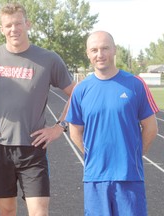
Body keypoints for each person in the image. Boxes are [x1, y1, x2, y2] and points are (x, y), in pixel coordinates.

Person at [0, 2, 75, 216]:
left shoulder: (49, 59)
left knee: (39, 212)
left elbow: (76, 94)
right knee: (6, 211)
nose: (13, 29)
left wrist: (59, 126)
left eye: (18, 23)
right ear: (1, 29)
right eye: (8, 25)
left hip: (33, 147)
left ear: (27, 24)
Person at [66, 31, 159, 216]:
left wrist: (136, 154)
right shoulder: (81, 89)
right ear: (88, 54)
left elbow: (151, 127)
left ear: (114, 50)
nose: (99, 54)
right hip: (95, 176)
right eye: (94, 50)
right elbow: (75, 129)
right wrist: (91, 154)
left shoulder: (135, 84)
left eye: (105, 48)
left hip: (129, 175)